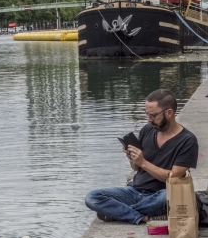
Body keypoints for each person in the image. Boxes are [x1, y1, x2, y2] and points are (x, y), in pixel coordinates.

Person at [84, 89, 199, 225]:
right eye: (147, 114)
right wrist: (133, 158)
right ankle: (142, 216)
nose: (148, 119)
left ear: (169, 113)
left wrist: (143, 162)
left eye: (153, 115)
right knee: (92, 197)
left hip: (161, 193)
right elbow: (136, 168)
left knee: (166, 196)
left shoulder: (187, 140)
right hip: (135, 191)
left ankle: (120, 213)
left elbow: (174, 177)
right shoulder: (147, 129)